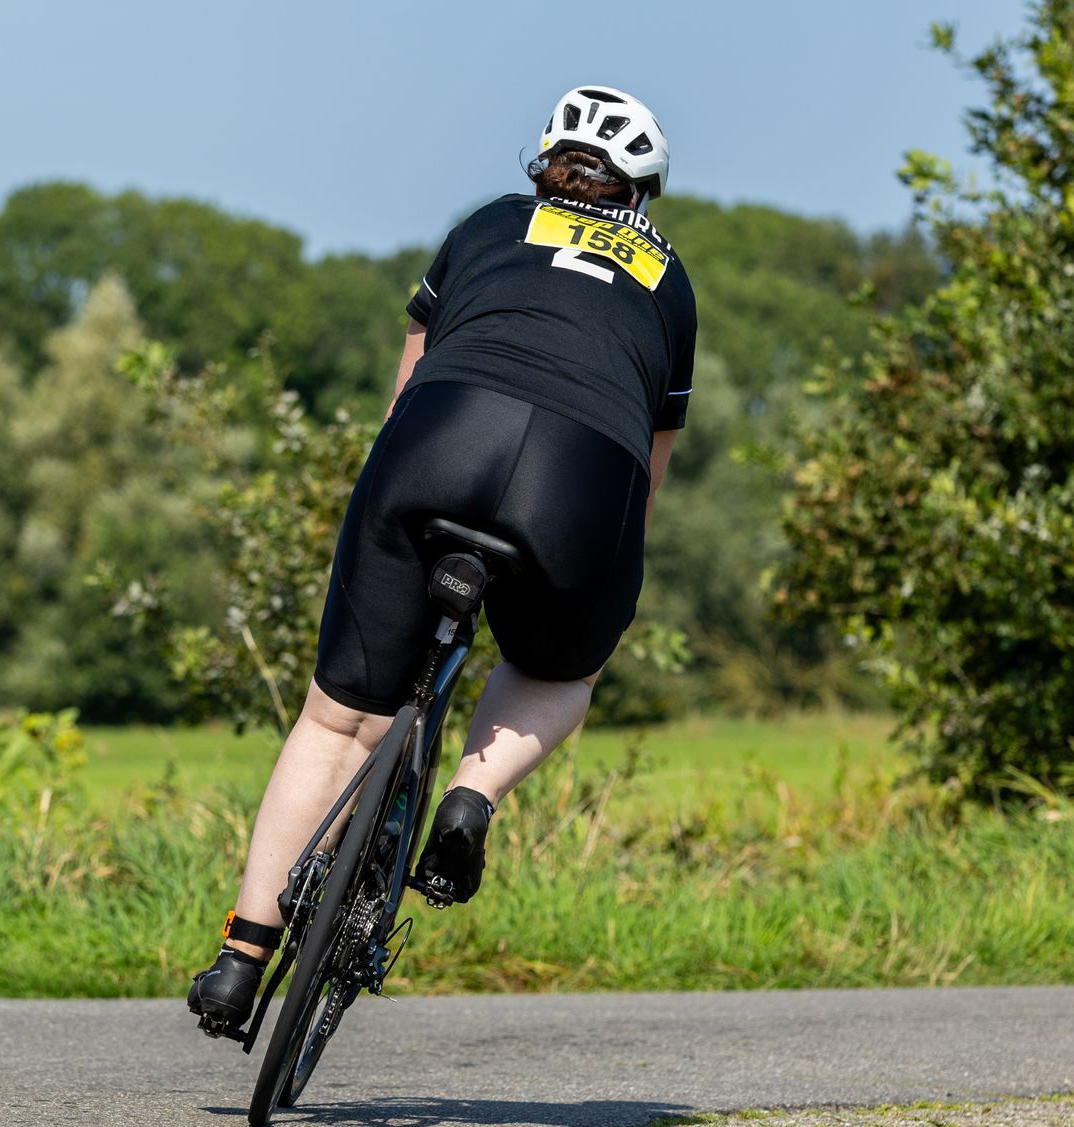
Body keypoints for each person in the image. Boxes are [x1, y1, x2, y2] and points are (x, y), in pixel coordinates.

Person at [188, 86, 697, 1033]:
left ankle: (242, 954)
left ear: (543, 162)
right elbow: (653, 469)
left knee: (339, 722)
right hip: (580, 479)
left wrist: (398, 479)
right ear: (642, 192)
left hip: (442, 438)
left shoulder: (492, 224)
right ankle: (470, 795)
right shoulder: (669, 280)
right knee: (560, 667)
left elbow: (412, 368)